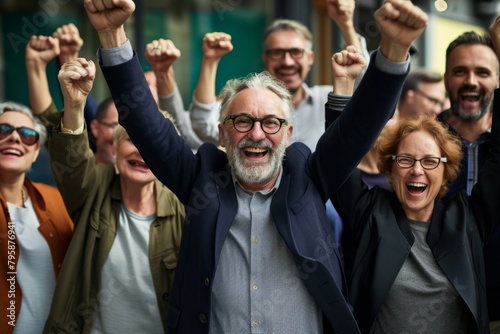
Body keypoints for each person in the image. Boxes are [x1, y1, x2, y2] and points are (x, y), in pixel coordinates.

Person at [84, 0, 427, 333]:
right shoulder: (201, 179)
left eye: (271, 123)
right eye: (243, 121)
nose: (257, 134)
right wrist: (113, 37)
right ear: (222, 132)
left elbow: (360, 126)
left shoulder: (309, 177)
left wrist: (393, 52)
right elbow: (146, 124)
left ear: (288, 133)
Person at [42, 58, 185, 333]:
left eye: (152, 144)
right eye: (132, 139)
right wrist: (74, 104)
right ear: (115, 149)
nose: (142, 151)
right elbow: (72, 163)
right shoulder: (94, 186)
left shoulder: (183, 203)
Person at [190, 0, 370, 150]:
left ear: (310, 58)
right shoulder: (247, 104)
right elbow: (203, 124)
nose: (287, 62)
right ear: (265, 59)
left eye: (296, 52)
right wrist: (210, 60)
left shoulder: (328, 100)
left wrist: (345, 23)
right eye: (278, 52)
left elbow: (368, 88)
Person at [437, 26, 500, 333]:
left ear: (498, 80)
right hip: (438, 312)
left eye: (483, 72)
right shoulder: (422, 141)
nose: (471, 81)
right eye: (460, 71)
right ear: (446, 78)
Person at [0, 102, 73, 334]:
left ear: (34, 154)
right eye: (3, 130)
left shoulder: (56, 200)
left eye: (27, 135)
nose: (14, 138)